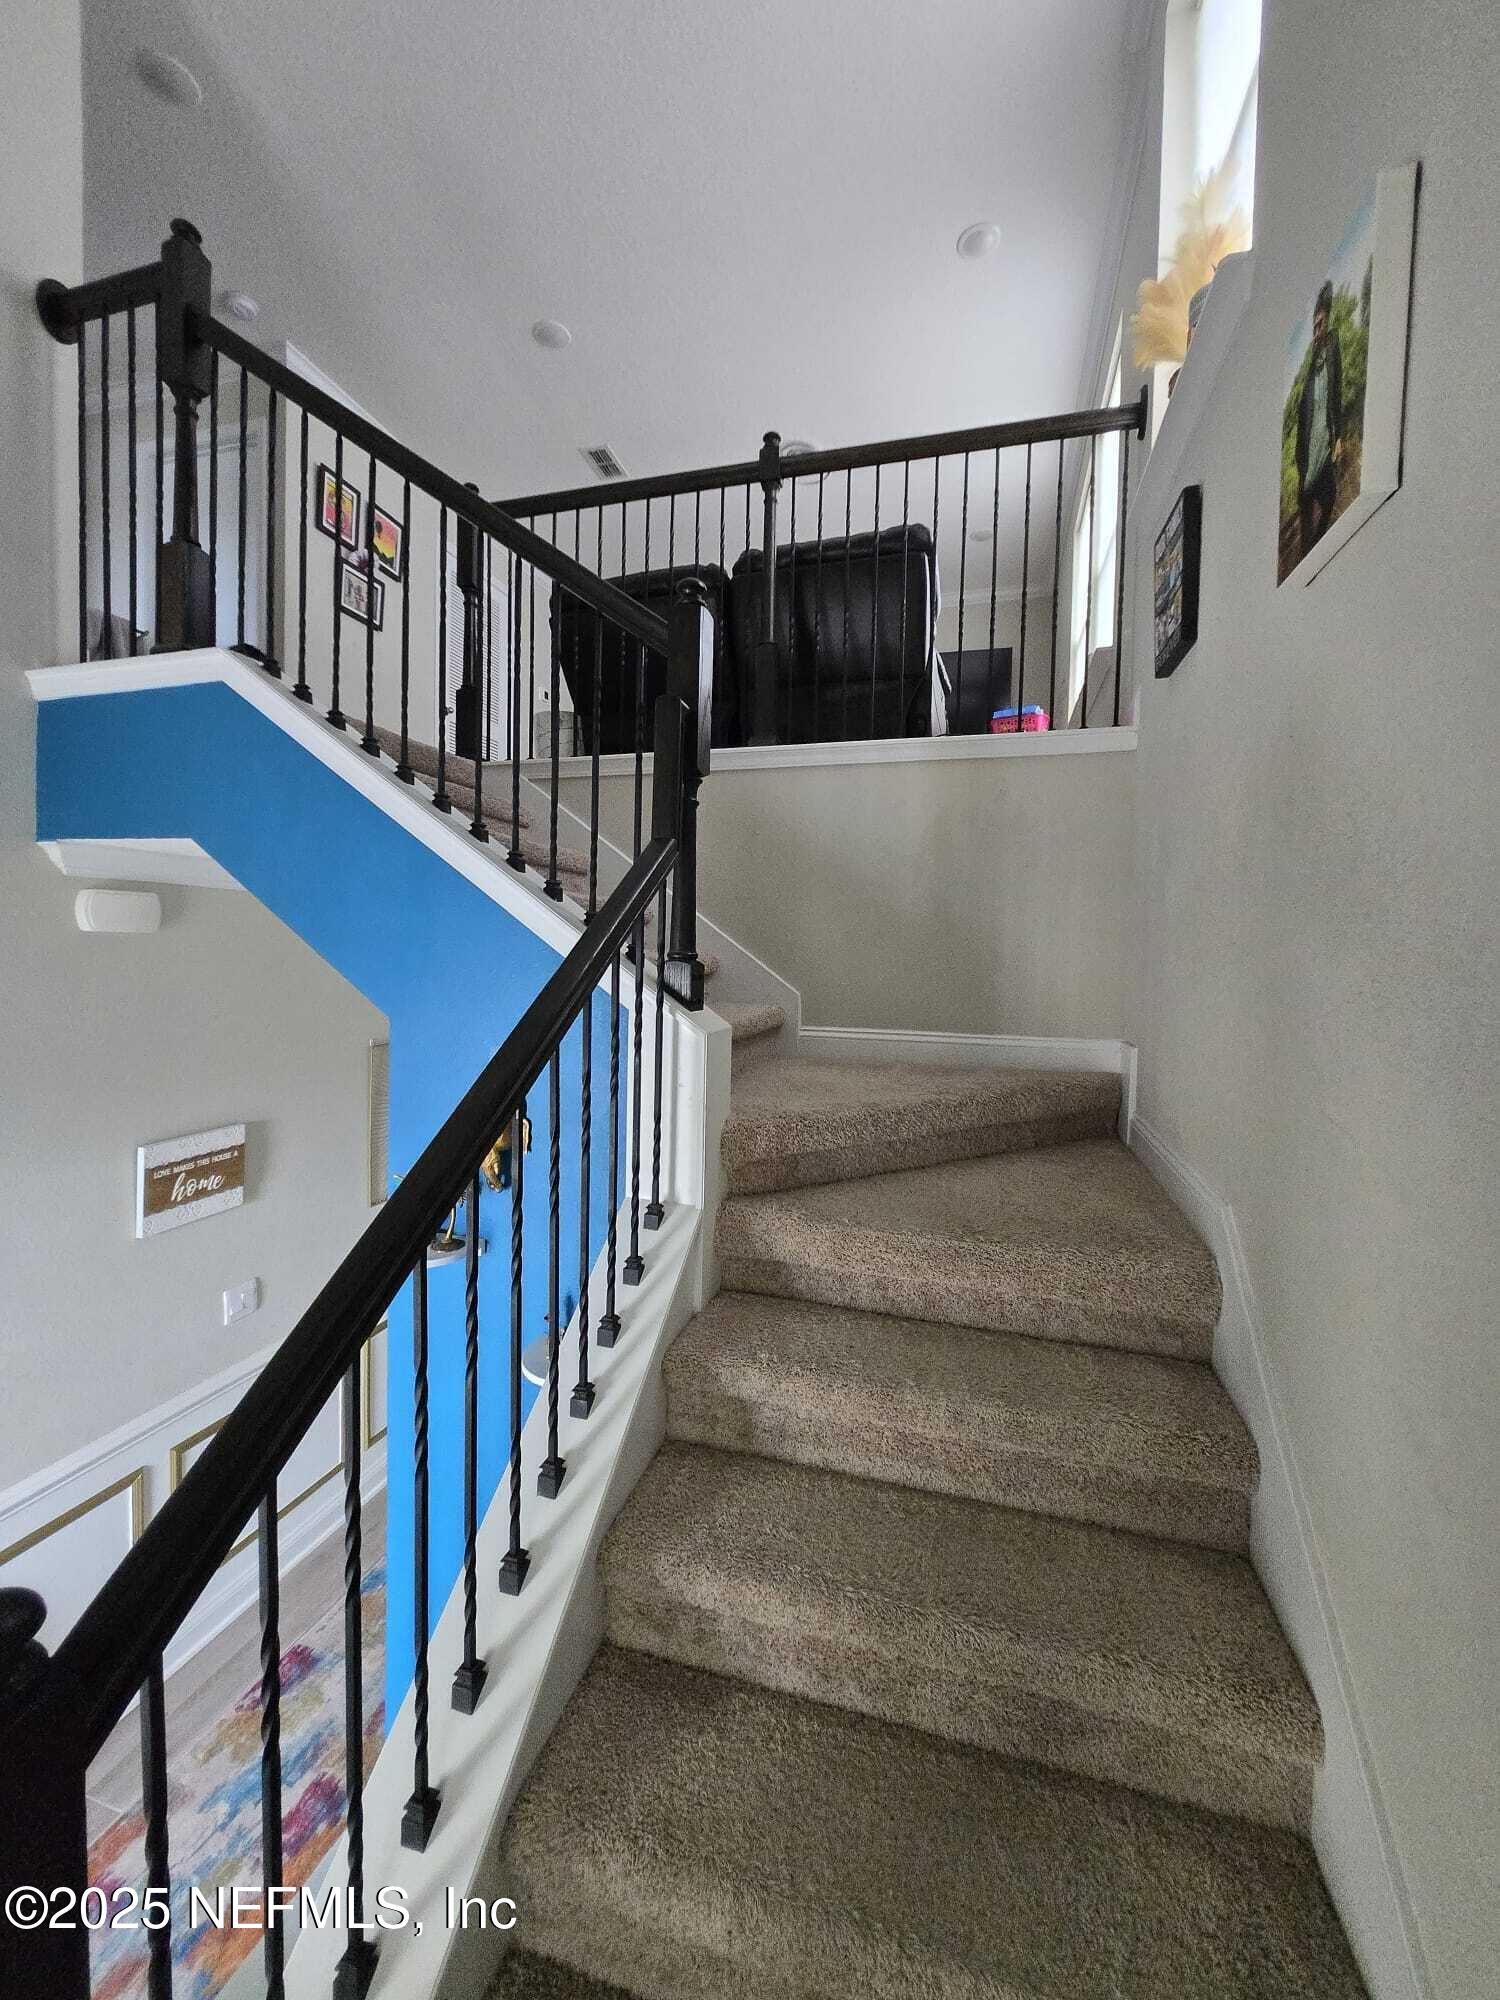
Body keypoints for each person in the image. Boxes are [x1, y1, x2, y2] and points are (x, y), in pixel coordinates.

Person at [1295, 281, 1344, 556]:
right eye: (1314, 326)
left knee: (1329, 499)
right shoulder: (1311, 367)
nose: (1317, 331)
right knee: (1307, 502)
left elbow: (1336, 392)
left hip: (1325, 444)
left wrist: (1338, 437)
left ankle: (1315, 548)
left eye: (1321, 324)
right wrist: (1301, 465)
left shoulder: (1333, 348)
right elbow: (1302, 417)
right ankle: (1309, 552)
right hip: (1309, 451)